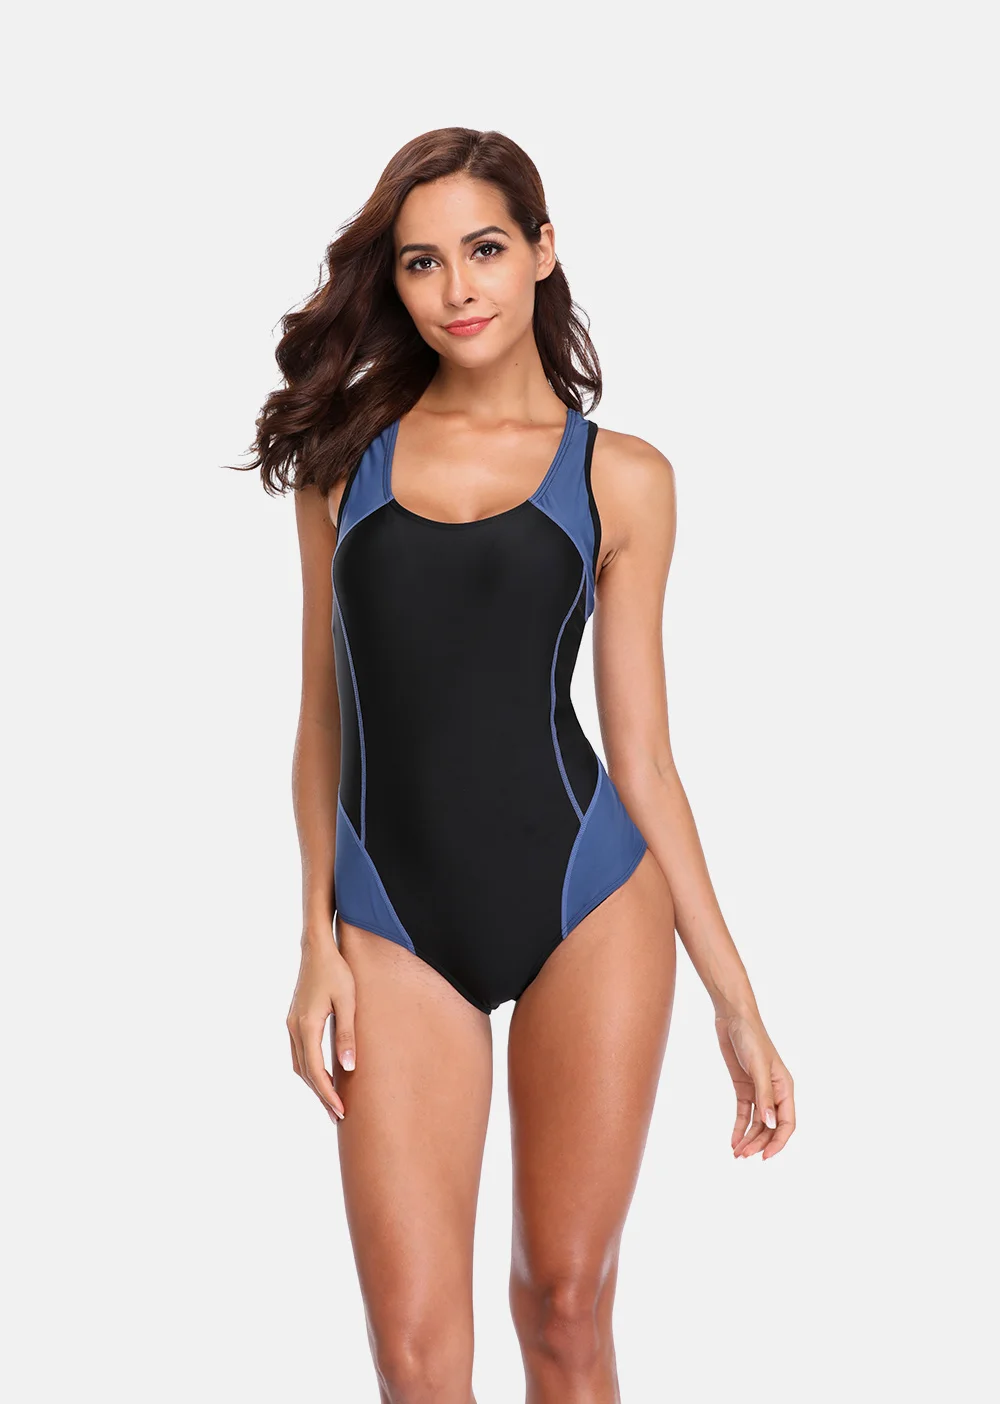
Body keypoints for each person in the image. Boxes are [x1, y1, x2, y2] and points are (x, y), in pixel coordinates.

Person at [237, 126, 795, 1403]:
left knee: (564, 1310)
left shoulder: (622, 477)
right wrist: (315, 939)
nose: (457, 288)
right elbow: (320, 719)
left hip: (588, 900)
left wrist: (735, 999)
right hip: (390, 921)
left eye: (484, 249)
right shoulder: (343, 463)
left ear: (543, 251)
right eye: (422, 262)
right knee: (417, 1359)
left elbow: (644, 756)